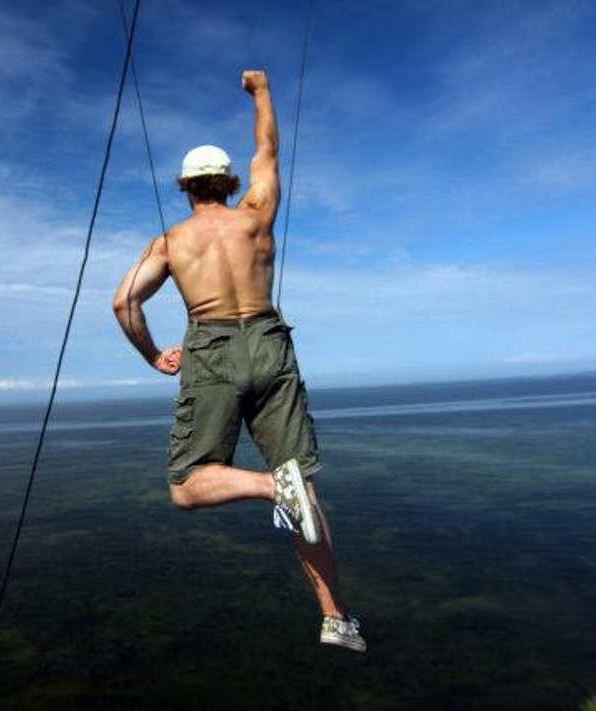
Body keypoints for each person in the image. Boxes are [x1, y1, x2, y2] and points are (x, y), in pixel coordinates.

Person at [112, 69, 364, 652]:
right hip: (271, 340)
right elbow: (268, 149)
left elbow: (124, 302)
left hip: (212, 348)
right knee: (303, 485)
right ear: (226, 182)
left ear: (184, 188)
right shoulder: (255, 215)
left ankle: (270, 486)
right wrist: (262, 91)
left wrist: (153, 354)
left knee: (187, 484)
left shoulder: (170, 243)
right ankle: (335, 618)